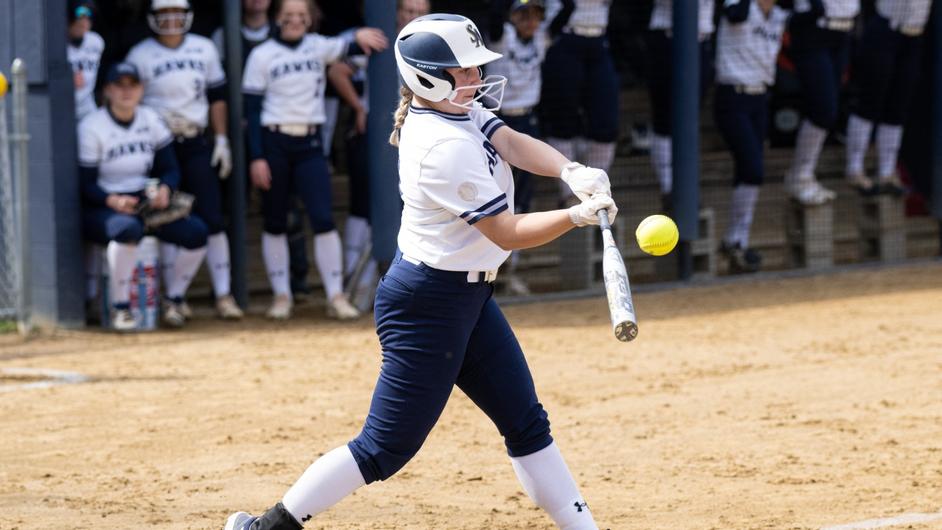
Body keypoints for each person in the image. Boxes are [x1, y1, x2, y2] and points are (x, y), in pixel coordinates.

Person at [224, 14, 616, 530]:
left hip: (469, 298)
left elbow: (513, 142)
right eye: (466, 71)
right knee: (385, 448)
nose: (477, 79)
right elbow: (506, 232)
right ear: (430, 77)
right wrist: (575, 216)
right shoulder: (440, 147)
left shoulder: (461, 110)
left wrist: (570, 171)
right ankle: (265, 528)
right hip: (427, 304)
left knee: (526, 422)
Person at [241, 0, 387, 320]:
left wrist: (364, 31)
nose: (294, 21)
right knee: (275, 220)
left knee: (322, 218)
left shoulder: (318, 46)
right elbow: (251, 112)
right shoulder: (261, 55)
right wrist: (257, 157)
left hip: (309, 142)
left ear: (310, 20)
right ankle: (282, 296)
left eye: (301, 17)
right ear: (277, 19)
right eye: (288, 16)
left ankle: (335, 295)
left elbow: (352, 43)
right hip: (274, 140)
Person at [125, 0, 243, 323]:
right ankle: (174, 298)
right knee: (166, 218)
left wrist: (221, 139)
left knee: (212, 217)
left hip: (196, 139)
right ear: (153, 18)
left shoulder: (203, 48)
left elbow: (216, 97)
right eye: (164, 14)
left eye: (177, 12)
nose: (172, 20)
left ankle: (223, 294)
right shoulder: (140, 54)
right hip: (160, 145)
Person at [78, 63, 208, 331]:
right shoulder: (93, 126)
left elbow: (170, 168)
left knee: (197, 232)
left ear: (141, 89)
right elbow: (85, 184)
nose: (126, 91)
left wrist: (165, 189)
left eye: (132, 85)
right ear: (108, 91)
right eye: (119, 85)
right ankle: (120, 308)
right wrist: (111, 200)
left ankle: (173, 299)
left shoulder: (150, 119)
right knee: (128, 229)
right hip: (104, 204)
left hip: (144, 201)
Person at [714, 0, 789, 274]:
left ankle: (737, 241)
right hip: (732, 97)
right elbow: (735, 13)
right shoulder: (740, 6)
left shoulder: (779, 14)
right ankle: (734, 239)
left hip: (760, 98)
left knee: (749, 171)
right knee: (753, 169)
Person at [844, 0, 933, 195]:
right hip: (885, 30)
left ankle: (887, 171)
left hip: (914, 35)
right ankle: (854, 168)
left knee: (898, 106)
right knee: (870, 102)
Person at [540, 0, 618, 207]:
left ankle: (594, 191)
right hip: (564, 37)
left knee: (606, 125)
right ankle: (569, 194)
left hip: (599, 39)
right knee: (562, 121)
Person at [782, 0, 859, 205]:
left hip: (842, 31)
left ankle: (804, 175)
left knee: (828, 109)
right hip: (812, 30)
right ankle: (800, 177)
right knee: (823, 110)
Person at [646, 0, 715, 211]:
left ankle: (687, 187)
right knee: (664, 118)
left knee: (690, 118)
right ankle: (669, 187)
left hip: (701, 42)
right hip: (667, 40)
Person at [68, 0, 104, 122]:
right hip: (63, 108)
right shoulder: (56, 44)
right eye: (80, 15)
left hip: (87, 108)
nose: (84, 21)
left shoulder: (96, 42)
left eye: (89, 16)